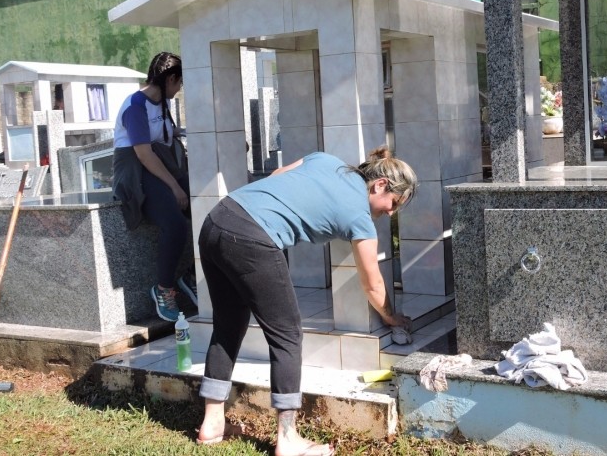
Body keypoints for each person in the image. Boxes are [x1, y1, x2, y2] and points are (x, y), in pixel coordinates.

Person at [196, 147, 417, 454]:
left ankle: (213, 424)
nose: (391, 212)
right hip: (251, 237)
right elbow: (373, 283)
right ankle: (287, 440)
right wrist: (392, 317)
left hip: (217, 220)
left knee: (228, 325)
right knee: (287, 333)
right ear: (380, 185)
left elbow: (276, 176)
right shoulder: (359, 216)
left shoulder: (326, 159)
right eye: (393, 204)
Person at [112, 51, 196, 322]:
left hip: (161, 166)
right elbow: (144, 154)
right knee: (175, 223)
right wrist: (175, 187)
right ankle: (163, 289)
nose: (180, 88)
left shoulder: (161, 102)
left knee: (210, 207)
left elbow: (169, 137)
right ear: (170, 78)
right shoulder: (136, 105)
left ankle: (195, 275)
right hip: (137, 172)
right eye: (179, 82)